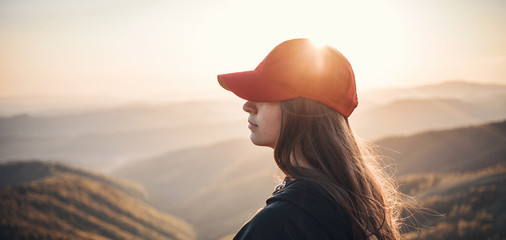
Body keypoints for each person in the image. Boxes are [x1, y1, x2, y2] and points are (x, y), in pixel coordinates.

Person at [217, 38, 401, 240]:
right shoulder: (357, 205)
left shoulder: (278, 225)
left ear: (302, 109)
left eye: (264, 93)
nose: (248, 105)